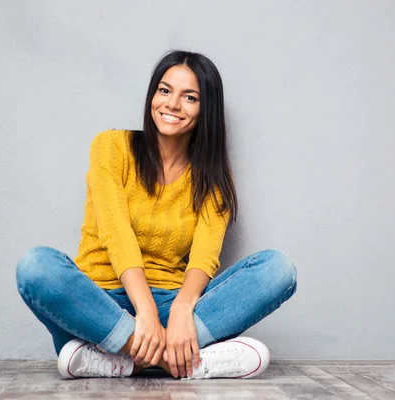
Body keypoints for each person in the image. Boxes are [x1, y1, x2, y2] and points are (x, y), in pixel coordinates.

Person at [16, 50, 297, 380]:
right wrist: (144, 312)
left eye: (189, 97)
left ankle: (116, 360)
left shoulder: (212, 178)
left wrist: (179, 310)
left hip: (172, 311)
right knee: (36, 266)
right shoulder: (111, 146)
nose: (172, 105)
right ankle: (181, 363)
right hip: (97, 308)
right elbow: (115, 234)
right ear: (152, 95)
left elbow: (205, 257)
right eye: (164, 91)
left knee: (278, 269)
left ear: (206, 109)